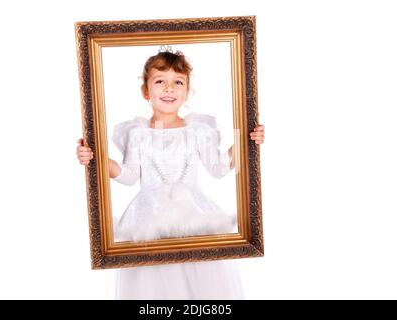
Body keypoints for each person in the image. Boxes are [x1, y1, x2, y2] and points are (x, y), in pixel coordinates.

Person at [76, 47, 265, 299]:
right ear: (146, 91)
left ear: (187, 91)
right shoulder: (138, 134)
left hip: (193, 217)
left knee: (199, 283)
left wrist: (248, 141)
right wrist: (96, 158)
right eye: (160, 81)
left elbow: (219, 168)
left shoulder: (198, 131)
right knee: (154, 286)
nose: (169, 88)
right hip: (149, 221)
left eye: (178, 82)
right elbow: (128, 175)